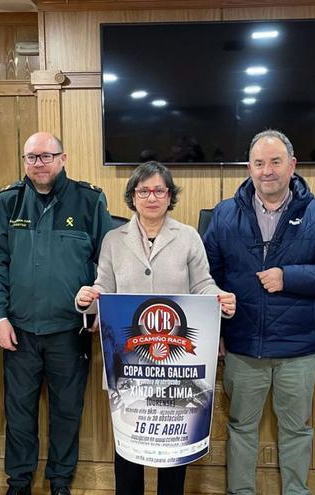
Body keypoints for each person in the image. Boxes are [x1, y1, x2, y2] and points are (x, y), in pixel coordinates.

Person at [203, 129, 315, 495]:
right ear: (249, 168)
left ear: (292, 165)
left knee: (297, 429)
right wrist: (216, 331)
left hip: (297, 348)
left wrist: (289, 277)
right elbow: (206, 277)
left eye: (275, 162)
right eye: (258, 163)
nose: (266, 171)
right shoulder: (224, 214)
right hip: (242, 345)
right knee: (240, 428)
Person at [74, 161, 237, 495]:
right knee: (130, 447)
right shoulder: (113, 239)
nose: (151, 197)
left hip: (174, 365)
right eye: (143, 190)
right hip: (130, 365)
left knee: (172, 449)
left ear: (169, 196)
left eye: (158, 190)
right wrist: (85, 299)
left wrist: (219, 297)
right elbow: (102, 288)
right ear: (133, 196)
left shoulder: (188, 236)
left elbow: (203, 285)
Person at [0, 132, 112, 495]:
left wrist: (103, 305)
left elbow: (109, 261)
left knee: (67, 412)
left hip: (70, 331)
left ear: (63, 158)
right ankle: (19, 482)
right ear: (24, 161)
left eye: (46, 156)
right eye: (31, 158)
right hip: (18, 329)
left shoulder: (88, 200)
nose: (39, 164)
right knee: (19, 414)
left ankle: (60, 481)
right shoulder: (8, 202)